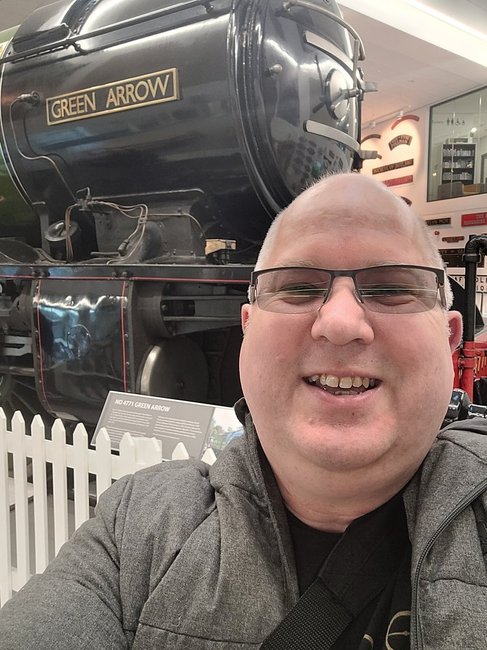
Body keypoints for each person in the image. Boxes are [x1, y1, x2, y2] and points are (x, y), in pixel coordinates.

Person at [1, 171, 487, 649]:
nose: (340, 322)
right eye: (298, 287)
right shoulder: (135, 532)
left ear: (449, 340)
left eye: (390, 288)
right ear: (247, 329)